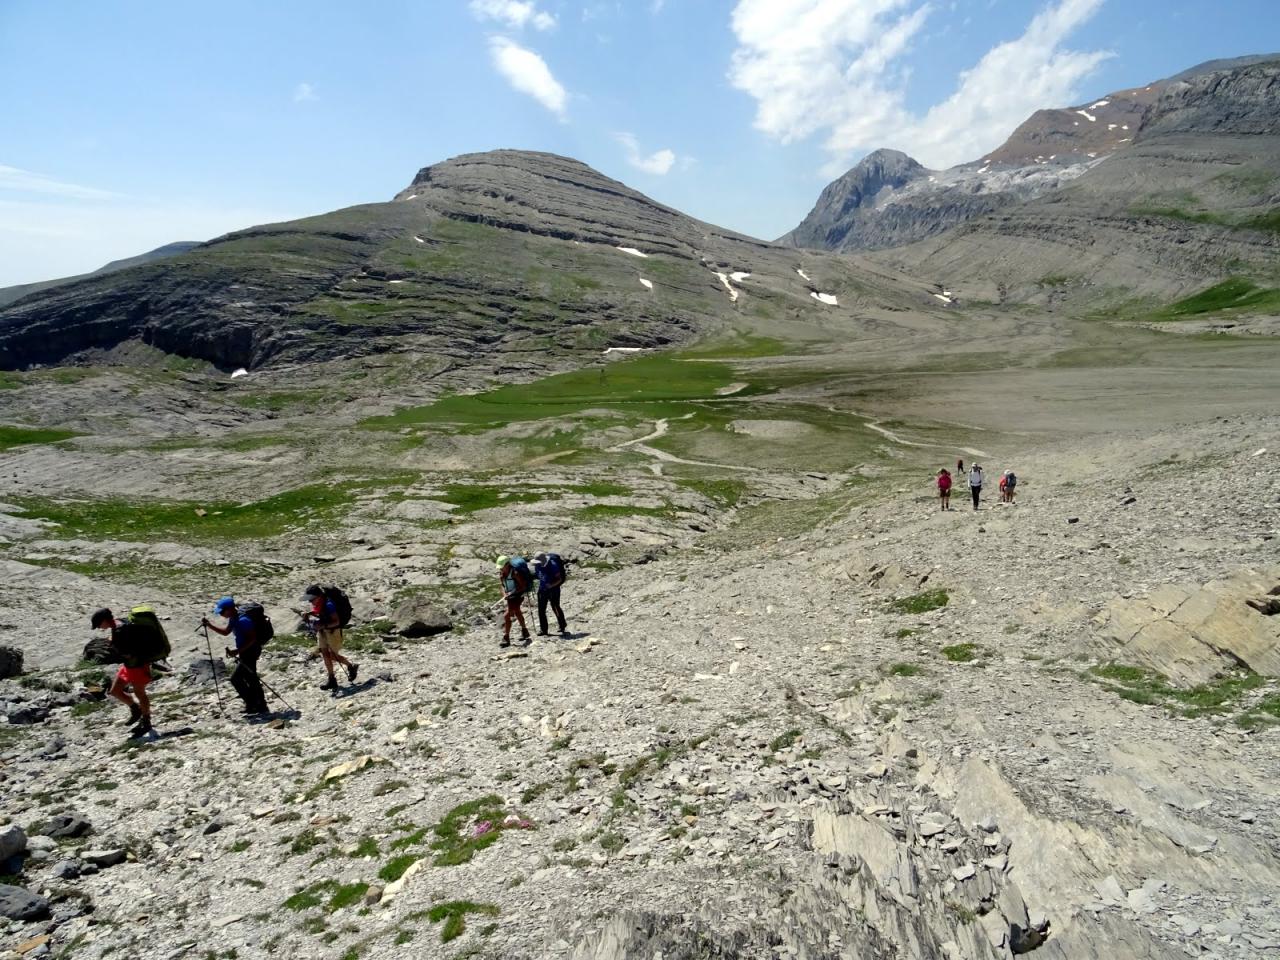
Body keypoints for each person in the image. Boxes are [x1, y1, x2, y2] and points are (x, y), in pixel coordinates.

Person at [91, 608, 154, 736]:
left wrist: (112, 644)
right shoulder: (119, 623)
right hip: (129, 666)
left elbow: (126, 652)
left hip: (138, 665)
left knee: (140, 693)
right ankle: (136, 710)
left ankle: (146, 722)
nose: (99, 627)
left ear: (104, 620)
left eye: (99, 624)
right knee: (115, 690)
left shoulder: (120, 629)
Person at [202, 597, 268, 715]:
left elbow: (252, 639)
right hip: (245, 651)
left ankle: (254, 704)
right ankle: (259, 705)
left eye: (222, 611)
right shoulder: (233, 618)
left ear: (230, 609)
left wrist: (237, 651)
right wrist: (209, 625)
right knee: (250, 677)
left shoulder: (244, 620)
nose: (221, 614)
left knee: (236, 678)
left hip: (251, 651)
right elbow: (226, 632)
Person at [304, 586, 357, 691]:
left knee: (332, 656)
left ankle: (351, 666)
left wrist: (322, 626)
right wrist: (310, 613)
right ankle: (331, 679)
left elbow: (336, 622)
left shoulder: (329, 605)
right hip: (323, 631)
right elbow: (320, 613)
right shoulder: (320, 603)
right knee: (325, 654)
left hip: (333, 632)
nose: (310, 602)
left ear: (318, 596)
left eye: (311, 599)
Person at [496, 555, 532, 648]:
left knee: (506, 615)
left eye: (502, 567)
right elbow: (502, 586)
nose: (501, 569)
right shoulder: (501, 574)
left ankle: (506, 638)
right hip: (510, 597)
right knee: (517, 612)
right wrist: (504, 594)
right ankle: (525, 631)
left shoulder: (515, 573)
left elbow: (523, 586)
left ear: (507, 565)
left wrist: (512, 592)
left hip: (518, 595)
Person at [531, 551, 568, 637]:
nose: (537, 564)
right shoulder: (537, 565)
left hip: (553, 589)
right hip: (542, 589)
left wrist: (551, 585)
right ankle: (544, 630)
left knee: (555, 606)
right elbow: (538, 575)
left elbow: (559, 579)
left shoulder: (553, 565)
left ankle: (562, 624)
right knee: (541, 609)